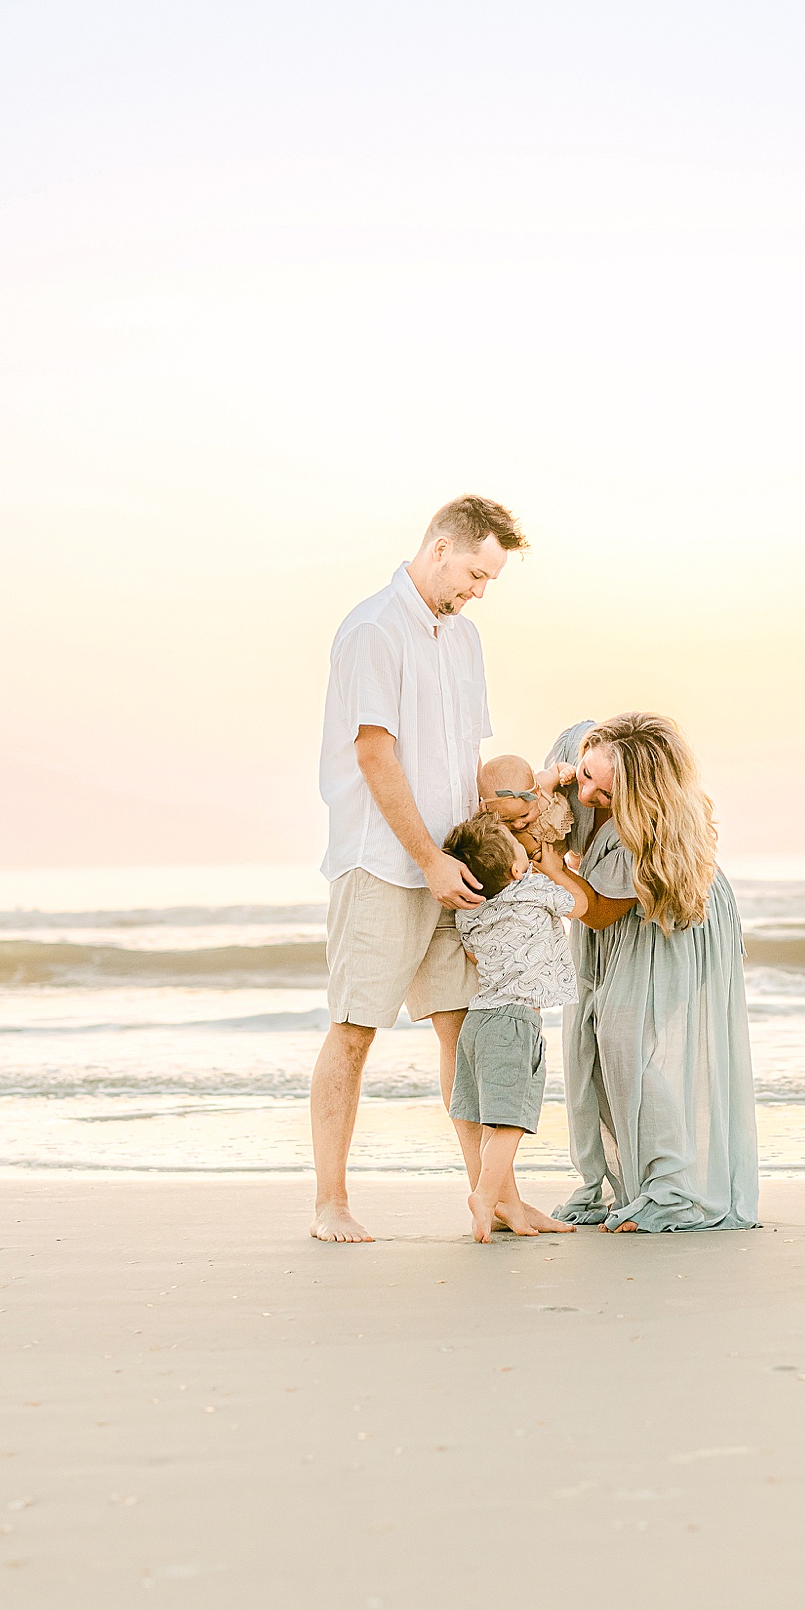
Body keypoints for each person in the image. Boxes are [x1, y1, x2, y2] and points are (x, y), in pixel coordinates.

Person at [310, 494, 525, 1243]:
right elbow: (375, 753)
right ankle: (329, 1204)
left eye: (489, 579)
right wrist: (426, 857)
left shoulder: (464, 640)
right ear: (439, 548)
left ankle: (492, 1195)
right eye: (474, 572)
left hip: (453, 869)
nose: (479, 590)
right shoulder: (373, 628)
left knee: (463, 1032)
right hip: (381, 865)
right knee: (354, 1030)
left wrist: (487, 851)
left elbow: (463, 763)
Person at [539, 712, 758, 1233]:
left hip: (670, 919)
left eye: (606, 794)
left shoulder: (646, 829)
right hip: (612, 918)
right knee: (592, 1043)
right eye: (587, 773)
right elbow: (537, 798)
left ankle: (670, 1188)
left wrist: (550, 866)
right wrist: (548, 782)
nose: (588, 793)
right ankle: (619, 1183)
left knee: (629, 1045)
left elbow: (597, 910)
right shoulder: (578, 748)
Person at [443, 802, 590, 1242]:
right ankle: (485, 1195)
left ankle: (508, 1208)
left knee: (491, 1121)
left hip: (479, 1021)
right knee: (510, 1121)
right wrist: (554, 870)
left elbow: (471, 951)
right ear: (515, 868)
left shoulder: (468, 910)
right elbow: (580, 905)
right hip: (515, 1021)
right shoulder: (532, 889)